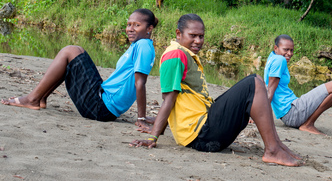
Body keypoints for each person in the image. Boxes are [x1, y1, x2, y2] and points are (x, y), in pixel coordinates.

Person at [129, 14, 301, 167]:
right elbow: (169, 99)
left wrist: (159, 126)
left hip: (207, 130)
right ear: (178, 34)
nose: (198, 41)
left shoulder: (185, 53)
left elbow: (179, 100)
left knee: (254, 82)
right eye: (193, 36)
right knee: (254, 82)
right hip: (201, 136)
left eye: (201, 36)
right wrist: (152, 137)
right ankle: (272, 150)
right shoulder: (175, 55)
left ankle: (276, 145)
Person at [1, 9, 158, 127]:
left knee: (71, 51)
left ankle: (33, 99)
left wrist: (141, 118)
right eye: (129, 24)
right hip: (102, 99)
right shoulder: (138, 45)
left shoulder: (144, 46)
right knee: (75, 52)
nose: (130, 28)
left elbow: (140, 83)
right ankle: (40, 98)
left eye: (137, 25)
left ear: (149, 28)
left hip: (102, 108)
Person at [264, 34, 332, 135]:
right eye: (286, 50)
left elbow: (267, 88)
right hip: (292, 113)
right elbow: (270, 90)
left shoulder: (272, 58)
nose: (289, 53)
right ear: (276, 48)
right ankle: (308, 124)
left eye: (291, 50)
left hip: (292, 110)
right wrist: (257, 116)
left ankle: (308, 123)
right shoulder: (280, 60)